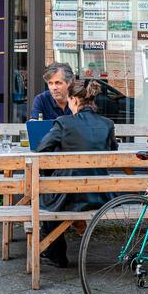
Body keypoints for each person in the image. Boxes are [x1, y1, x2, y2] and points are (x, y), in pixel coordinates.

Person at [35, 79, 118, 267]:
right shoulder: (107, 124)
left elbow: (41, 150)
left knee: (46, 195)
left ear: (73, 100)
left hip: (70, 196)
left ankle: (56, 254)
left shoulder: (64, 123)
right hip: (100, 194)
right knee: (53, 190)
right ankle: (55, 249)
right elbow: (113, 151)